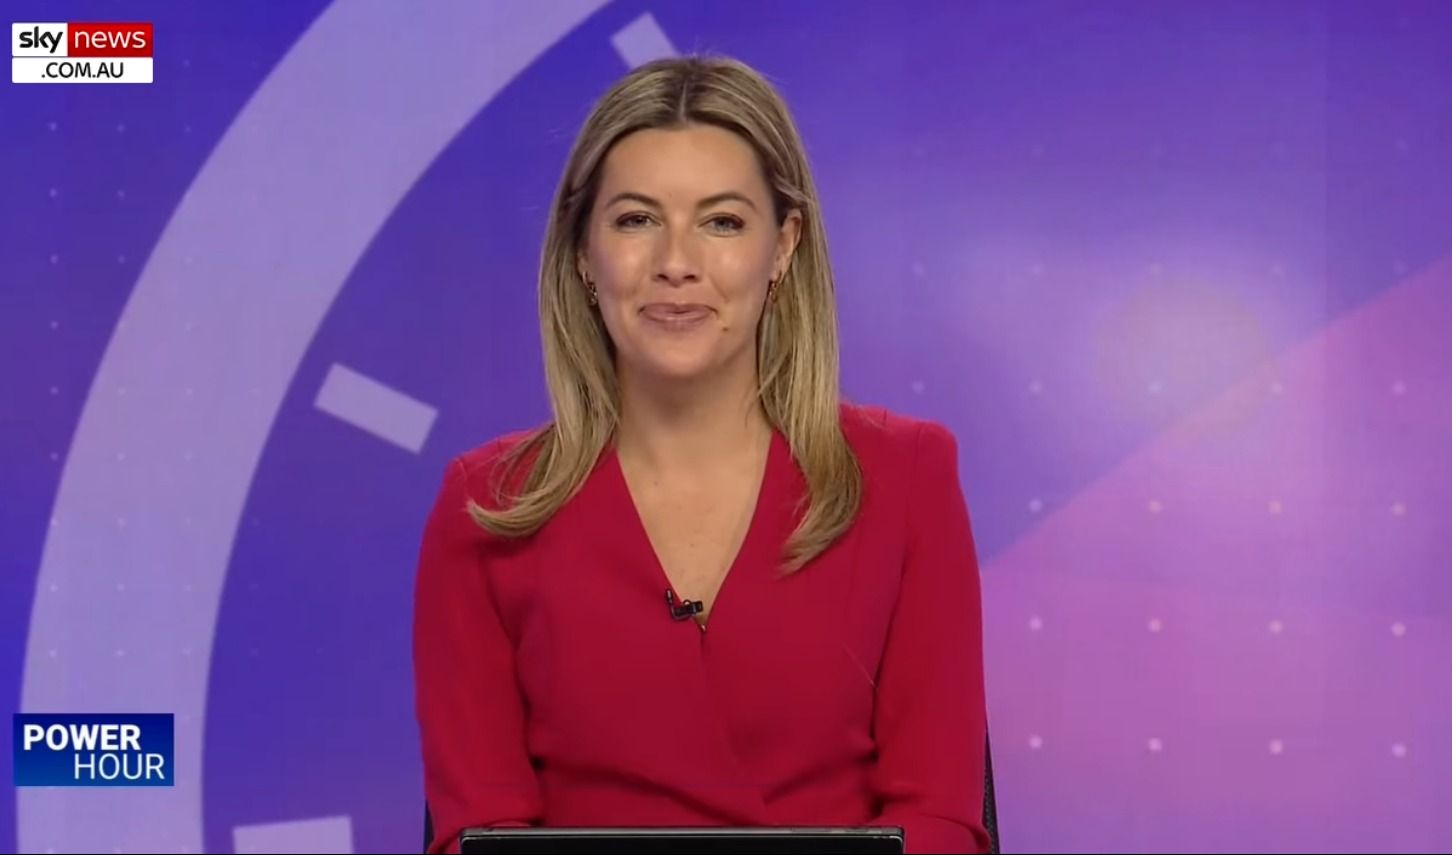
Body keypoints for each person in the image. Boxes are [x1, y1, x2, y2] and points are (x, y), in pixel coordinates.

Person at [412, 54, 991, 855]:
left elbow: (941, 821)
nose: (676, 263)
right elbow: (475, 834)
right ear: (582, 253)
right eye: (635, 220)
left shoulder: (908, 478)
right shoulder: (486, 506)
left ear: (782, 246)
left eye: (722, 222)